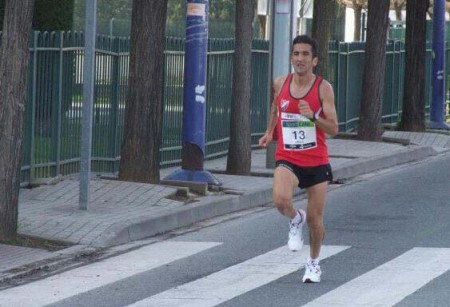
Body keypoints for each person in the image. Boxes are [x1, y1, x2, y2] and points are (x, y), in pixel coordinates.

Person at [258, 35, 338, 283]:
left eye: (305, 54)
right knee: (281, 200)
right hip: (288, 157)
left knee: (315, 219)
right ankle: (295, 218)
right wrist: (270, 131)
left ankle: (313, 263)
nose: (300, 59)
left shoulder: (323, 88)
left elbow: (334, 128)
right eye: (296, 54)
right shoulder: (281, 83)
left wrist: (313, 116)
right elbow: (275, 108)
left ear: (314, 60)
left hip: (316, 162)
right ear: (291, 57)